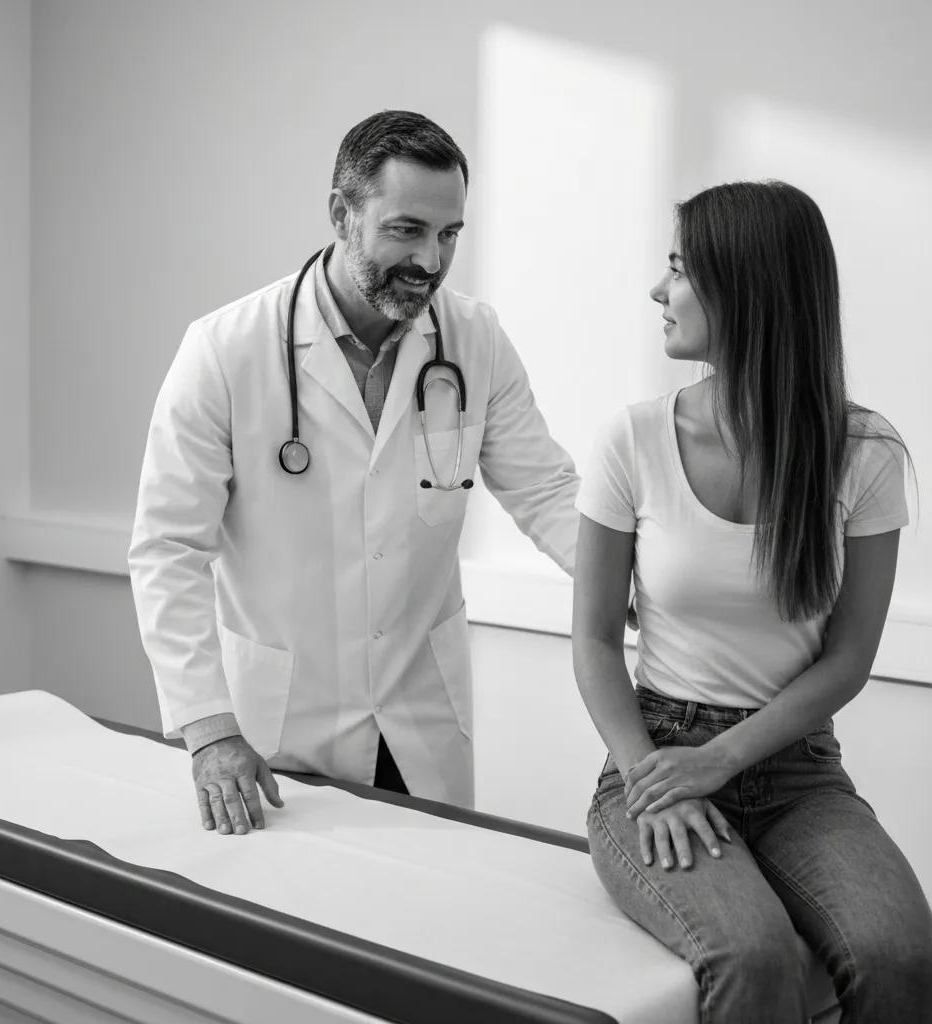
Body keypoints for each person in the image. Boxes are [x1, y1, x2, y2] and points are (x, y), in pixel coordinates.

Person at [129, 110, 580, 836]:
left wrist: (641, 581)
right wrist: (209, 728)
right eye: (407, 230)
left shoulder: (474, 339)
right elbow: (166, 548)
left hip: (419, 720)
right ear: (342, 214)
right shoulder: (224, 350)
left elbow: (547, 490)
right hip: (273, 732)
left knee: (424, 921)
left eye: (449, 235)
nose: (431, 261)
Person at [572, 180, 932, 1022]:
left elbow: (847, 660)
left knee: (904, 954)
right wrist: (657, 777)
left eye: (678, 271)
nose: (658, 293)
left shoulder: (865, 452)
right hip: (653, 756)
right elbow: (592, 640)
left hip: (798, 771)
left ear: (746, 288)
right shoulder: (631, 438)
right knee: (755, 957)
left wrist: (723, 760)